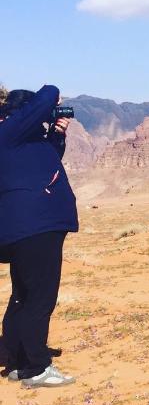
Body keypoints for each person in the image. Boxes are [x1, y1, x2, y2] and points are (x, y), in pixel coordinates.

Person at [0, 86, 78, 387]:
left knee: (23, 295)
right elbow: (49, 92)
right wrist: (50, 99)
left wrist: (57, 134)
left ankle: (19, 362)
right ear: (24, 112)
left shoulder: (19, 140)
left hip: (30, 229)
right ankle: (37, 367)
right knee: (39, 298)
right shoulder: (10, 131)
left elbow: (45, 162)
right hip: (34, 228)